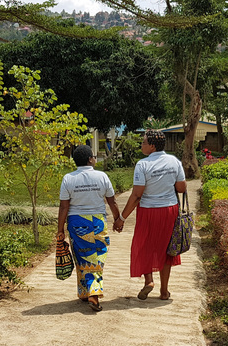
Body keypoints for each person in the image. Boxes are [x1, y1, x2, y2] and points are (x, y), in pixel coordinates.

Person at [113, 129, 187, 301]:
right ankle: (164, 291)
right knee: (167, 248)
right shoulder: (174, 161)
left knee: (145, 244)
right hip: (170, 210)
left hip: (148, 211)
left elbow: (137, 195)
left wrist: (121, 219)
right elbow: (182, 188)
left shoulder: (143, 165)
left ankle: (149, 281)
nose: (142, 145)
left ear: (152, 146)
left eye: (144, 142)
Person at [57, 145, 121, 312]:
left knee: (82, 257)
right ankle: (93, 293)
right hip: (97, 221)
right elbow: (112, 201)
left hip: (76, 222)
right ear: (90, 159)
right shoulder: (101, 176)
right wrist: (117, 219)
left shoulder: (68, 179)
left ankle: (85, 292)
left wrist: (60, 230)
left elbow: (64, 207)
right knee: (97, 257)